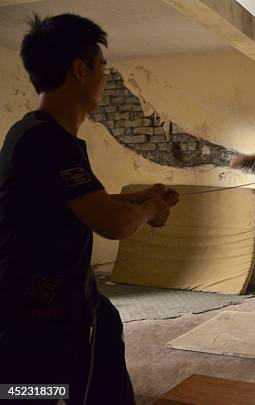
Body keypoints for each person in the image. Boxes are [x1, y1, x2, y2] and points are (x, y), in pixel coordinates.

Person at [0, 14, 178, 404]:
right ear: (79, 70)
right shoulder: (48, 140)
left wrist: (138, 197)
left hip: (63, 305)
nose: (105, 80)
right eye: (102, 70)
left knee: (103, 345)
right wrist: (149, 207)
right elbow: (112, 225)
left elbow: (78, 204)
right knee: (32, 395)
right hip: (39, 318)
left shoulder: (34, 133)